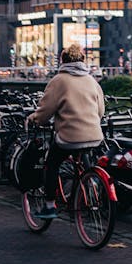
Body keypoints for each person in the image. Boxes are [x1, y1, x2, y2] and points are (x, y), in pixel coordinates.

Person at [26, 44, 105, 219]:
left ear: (62, 60)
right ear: (82, 61)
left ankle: (49, 206)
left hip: (69, 137)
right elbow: (101, 111)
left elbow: (45, 110)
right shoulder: (91, 80)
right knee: (82, 162)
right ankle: (79, 196)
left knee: (52, 163)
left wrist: (34, 119)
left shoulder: (58, 81)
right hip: (94, 135)